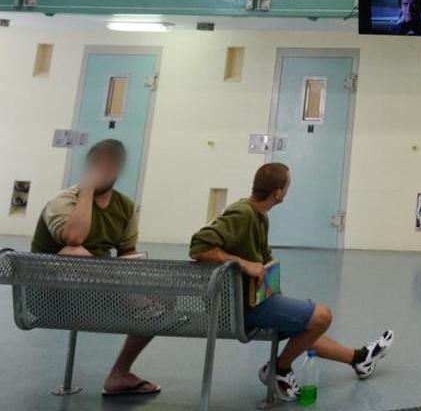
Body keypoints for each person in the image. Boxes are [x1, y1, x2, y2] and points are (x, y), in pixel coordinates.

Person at [189, 162, 393, 400]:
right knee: (321, 316)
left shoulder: (260, 217)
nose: (288, 190)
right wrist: (242, 264)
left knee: (306, 323)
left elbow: (263, 261)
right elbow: (199, 246)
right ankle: (279, 369)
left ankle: (359, 359)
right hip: (239, 309)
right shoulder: (242, 213)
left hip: (255, 300)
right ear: (277, 192)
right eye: (287, 185)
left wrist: (272, 288)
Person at [30, 139, 159, 397]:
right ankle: (135, 300)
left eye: (110, 165)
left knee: (159, 299)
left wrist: (141, 275)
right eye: (98, 164)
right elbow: (74, 239)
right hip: (51, 294)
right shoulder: (62, 201)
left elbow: (127, 253)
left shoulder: (125, 207)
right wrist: (88, 189)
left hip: (99, 291)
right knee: (73, 252)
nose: (104, 169)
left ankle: (120, 374)